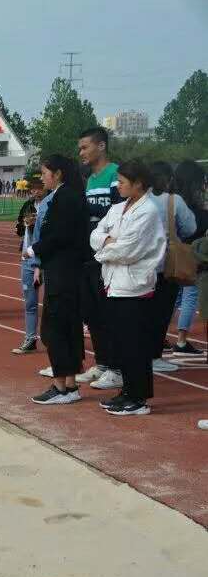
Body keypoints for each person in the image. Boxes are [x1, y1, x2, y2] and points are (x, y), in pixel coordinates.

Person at [90, 160, 166, 415]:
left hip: (135, 286)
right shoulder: (118, 208)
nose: (118, 186)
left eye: (122, 182)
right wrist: (108, 242)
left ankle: (139, 398)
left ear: (138, 184)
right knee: (121, 342)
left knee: (135, 344)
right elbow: (95, 234)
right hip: (114, 282)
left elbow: (128, 251)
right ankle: (127, 391)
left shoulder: (148, 211)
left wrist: (103, 251)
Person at [27, 155, 89, 405]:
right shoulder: (66, 196)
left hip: (64, 273)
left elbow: (60, 236)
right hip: (66, 272)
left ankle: (61, 386)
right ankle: (70, 385)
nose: (42, 178)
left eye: (44, 173)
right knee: (67, 328)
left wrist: (33, 249)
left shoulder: (65, 199)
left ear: (58, 173)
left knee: (55, 330)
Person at [76, 127, 122, 390]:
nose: (81, 153)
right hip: (91, 254)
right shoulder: (90, 179)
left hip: (109, 255)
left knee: (108, 313)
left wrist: (86, 206)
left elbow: (118, 210)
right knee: (92, 313)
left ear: (101, 146)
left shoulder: (115, 174)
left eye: (85, 147)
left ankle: (117, 367)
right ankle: (103, 363)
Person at [147, 162, 197, 373]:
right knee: (161, 313)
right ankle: (154, 356)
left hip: (141, 265)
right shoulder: (173, 200)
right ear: (169, 180)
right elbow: (190, 227)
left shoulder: (139, 199)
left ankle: (138, 354)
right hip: (166, 265)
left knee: (142, 313)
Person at [171, 161, 208, 356]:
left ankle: (160, 335)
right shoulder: (198, 210)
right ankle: (182, 339)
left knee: (173, 297)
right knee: (190, 295)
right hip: (192, 257)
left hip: (173, 255)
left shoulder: (173, 202)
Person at [12, 178, 49, 353]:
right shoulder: (27, 205)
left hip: (47, 259)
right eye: (32, 189)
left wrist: (38, 223)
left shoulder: (51, 204)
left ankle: (53, 341)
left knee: (52, 303)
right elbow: (18, 229)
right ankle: (30, 338)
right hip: (27, 258)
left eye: (38, 188)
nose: (35, 191)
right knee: (30, 302)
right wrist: (23, 224)